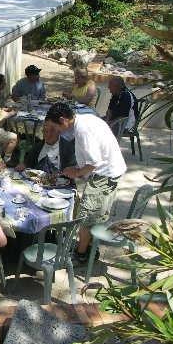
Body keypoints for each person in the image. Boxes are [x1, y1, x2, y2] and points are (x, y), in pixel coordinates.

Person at [45, 103, 126, 262]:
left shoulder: (82, 130)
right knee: (91, 214)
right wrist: (75, 168)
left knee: (85, 216)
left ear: (63, 120)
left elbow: (94, 162)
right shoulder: (84, 119)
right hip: (108, 170)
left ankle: (81, 255)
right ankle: (87, 247)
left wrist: (77, 172)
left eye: (56, 128)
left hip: (104, 175)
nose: (58, 131)